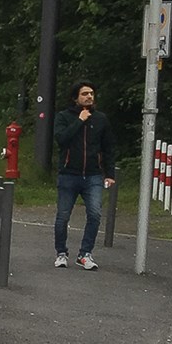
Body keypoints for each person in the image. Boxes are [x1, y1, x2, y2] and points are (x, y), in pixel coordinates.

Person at [53, 81, 115, 270]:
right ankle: (61, 252)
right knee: (63, 216)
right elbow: (61, 139)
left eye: (91, 93)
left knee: (95, 214)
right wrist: (79, 121)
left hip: (93, 175)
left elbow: (108, 148)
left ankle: (85, 253)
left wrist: (109, 173)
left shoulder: (101, 119)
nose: (89, 97)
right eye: (85, 94)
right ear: (75, 98)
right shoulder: (64, 117)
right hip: (69, 174)